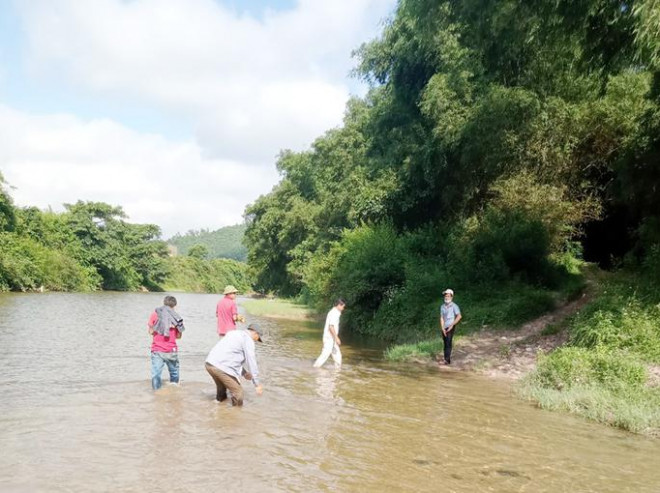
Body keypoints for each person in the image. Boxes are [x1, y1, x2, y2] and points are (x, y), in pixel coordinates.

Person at [205, 323, 264, 406]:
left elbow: (231, 358)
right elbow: (251, 361)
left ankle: (218, 408)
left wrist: (244, 373)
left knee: (222, 390)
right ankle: (235, 415)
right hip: (220, 367)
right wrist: (257, 384)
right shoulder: (248, 339)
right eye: (257, 338)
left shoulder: (234, 333)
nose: (256, 340)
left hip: (209, 364)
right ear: (255, 333)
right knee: (238, 392)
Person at [148, 295, 185, 390]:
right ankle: (174, 391)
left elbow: (151, 332)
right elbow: (178, 336)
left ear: (164, 303)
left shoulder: (155, 314)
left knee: (156, 373)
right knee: (174, 373)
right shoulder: (176, 317)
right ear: (174, 305)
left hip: (157, 349)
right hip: (171, 349)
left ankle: (156, 392)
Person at [313, 298, 346, 369]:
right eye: (343, 306)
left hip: (332, 339)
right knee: (324, 355)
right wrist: (337, 338)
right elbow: (331, 327)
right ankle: (314, 369)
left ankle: (337, 373)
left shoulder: (335, 312)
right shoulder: (335, 313)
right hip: (329, 339)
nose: (343, 308)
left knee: (338, 357)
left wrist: (335, 339)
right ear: (339, 305)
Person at [439, 288, 461, 365]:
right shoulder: (442, 306)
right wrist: (442, 327)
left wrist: (452, 325)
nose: (446, 297)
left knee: (448, 342)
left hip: (451, 326)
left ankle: (447, 360)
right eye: (445, 296)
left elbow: (459, 316)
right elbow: (441, 317)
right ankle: (446, 359)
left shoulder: (454, 306)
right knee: (445, 343)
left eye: (448, 296)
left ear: (451, 297)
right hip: (444, 327)